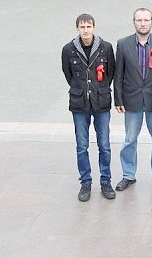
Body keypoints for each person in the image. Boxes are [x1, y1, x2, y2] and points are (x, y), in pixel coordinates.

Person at [61, 13, 116, 202]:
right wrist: (81, 89)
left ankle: (105, 181)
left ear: (94, 27)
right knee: (82, 146)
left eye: (89, 26)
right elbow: (68, 74)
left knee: (105, 145)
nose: (86, 30)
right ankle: (85, 182)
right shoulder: (68, 49)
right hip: (79, 104)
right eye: (82, 27)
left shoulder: (105, 47)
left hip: (101, 103)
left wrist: (99, 89)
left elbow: (110, 73)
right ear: (77, 28)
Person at [113, 8, 152, 192]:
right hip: (132, 100)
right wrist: (118, 99)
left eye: (146, 20)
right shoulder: (123, 44)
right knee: (129, 139)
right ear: (134, 22)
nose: (143, 23)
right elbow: (118, 74)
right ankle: (128, 175)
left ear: (151, 21)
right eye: (139, 20)